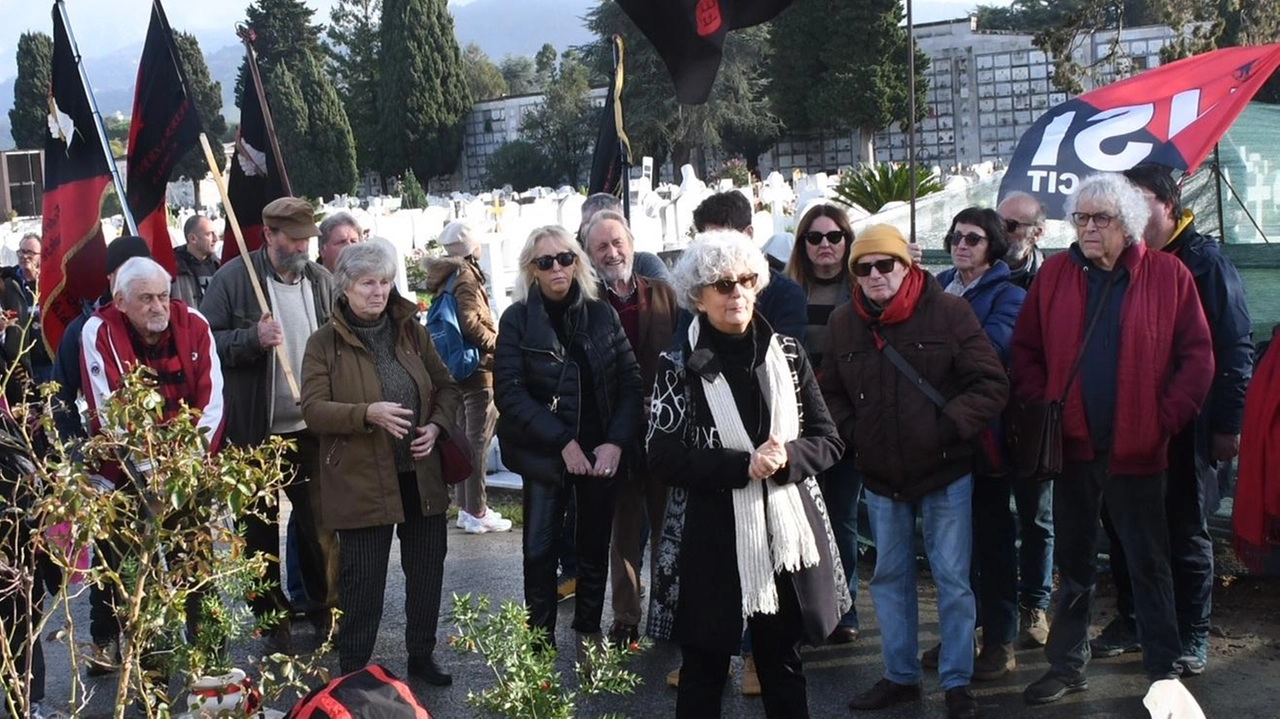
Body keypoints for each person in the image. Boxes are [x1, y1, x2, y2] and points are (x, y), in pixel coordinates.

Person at [1011, 172, 1214, 705]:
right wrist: (1044, 401)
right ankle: (1067, 666)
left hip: (1140, 452)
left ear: (1128, 225)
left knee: (1149, 563)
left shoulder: (1169, 275)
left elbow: (1198, 358)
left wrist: (1163, 419)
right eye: (1081, 217)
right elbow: (1026, 350)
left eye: (1101, 218)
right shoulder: (1055, 275)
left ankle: (1163, 672)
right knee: (1074, 564)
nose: (1088, 228)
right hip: (1074, 447)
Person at [646, 230, 847, 719]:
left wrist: (786, 458)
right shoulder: (676, 367)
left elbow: (830, 440)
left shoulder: (790, 357)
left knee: (781, 664)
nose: (736, 292)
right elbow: (662, 455)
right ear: (698, 295)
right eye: (722, 283)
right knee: (704, 670)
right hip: (708, 538)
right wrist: (741, 465)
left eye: (746, 280)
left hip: (781, 537)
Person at [820, 224, 1008, 719]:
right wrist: (856, 435)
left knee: (953, 579)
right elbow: (828, 392)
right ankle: (899, 675)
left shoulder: (949, 311)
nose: (876, 274)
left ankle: (956, 681)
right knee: (889, 577)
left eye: (886, 264)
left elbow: (990, 383)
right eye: (864, 267)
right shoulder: (844, 322)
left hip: (946, 470)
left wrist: (946, 429)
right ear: (854, 273)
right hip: (881, 475)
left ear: (908, 266)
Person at [1087, 164, 1254, 674]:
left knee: (1185, 529)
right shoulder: (1113, 263)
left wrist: (1226, 426)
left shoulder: (1204, 263)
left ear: (1165, 203)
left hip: (1188, 428)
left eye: (1135, 198)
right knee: (1122, 527)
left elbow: (1232, 348)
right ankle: (1135, 618)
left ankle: (1192, 632)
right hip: (1122, 429)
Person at [300, 240, 461, 684]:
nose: (378, 292)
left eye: (385, 282)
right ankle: (352, 672)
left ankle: (421, 655)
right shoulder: (323, 344)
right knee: (363, 583)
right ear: (345, 287)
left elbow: (446, 387)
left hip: (420, 474)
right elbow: (313, 410)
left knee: (426, 571)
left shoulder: (411, 331)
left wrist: (437, 427)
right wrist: (365, 414)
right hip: (361, 480)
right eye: (367, 283)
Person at [493, 225, 643, 657]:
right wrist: (562, 441)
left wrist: (615, 442)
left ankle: (588, 634)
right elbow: (510, 392)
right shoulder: (517, 319)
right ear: (531, 269)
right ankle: (539, 644)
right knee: (539, 551)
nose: (557, 267)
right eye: (545, 261)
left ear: (577, 262)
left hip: (599, 451)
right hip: (547, 452)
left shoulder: (601, 314)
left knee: (593, 547)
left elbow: (631, 383)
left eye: (565, 258)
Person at [200, 196, 339, 653]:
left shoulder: (320, 280)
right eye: (294, 239)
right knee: (257, 533)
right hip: (254, 431)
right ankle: (272, 618)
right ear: (269, 237)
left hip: (309, 426)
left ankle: (325, 611)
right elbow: (206, 343)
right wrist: (250, 339)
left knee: (319, 525)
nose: (303, 247)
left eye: (307, 239)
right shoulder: (233, 280)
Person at [79, 256, 226, 679]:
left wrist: (183, 469)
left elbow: (211, 400)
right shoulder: (99, 330)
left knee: (196, 571)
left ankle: (211, 667)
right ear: (121, 301)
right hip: (127, 476)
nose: (159, 305)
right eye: (146, 299)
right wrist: (150, 472)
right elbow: (108, 410)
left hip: (187, 472)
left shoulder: (194, 322)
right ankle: (153, 678)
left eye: (164, 295)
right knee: (140, 581)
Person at [934, 207, 1027, 681]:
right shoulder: (938, 285)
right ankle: (957, 634)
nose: (961, 244)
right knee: (950, 549)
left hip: (986, 439)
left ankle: (1000, 640)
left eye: (973, 238)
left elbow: (990, 353)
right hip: (939, 440)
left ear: (993, 246)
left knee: (991, 545)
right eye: (955, 236)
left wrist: (933, 342)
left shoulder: (1008, 295)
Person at [581, 209, 680, 646]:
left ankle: (669, 613)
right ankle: (626, 616)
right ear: (588, 254)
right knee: (623, 531)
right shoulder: (585, 305)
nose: (611, 252)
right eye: (601, 246)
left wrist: (663, 400)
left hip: (664, 429)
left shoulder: (664, 294)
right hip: (613, 434)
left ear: (632, 244)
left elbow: (683, 354)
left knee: (668, 527)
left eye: (617, 242)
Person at [783, 203, 861, 645]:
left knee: (842, 515)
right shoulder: (788, 290)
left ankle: (844, 606)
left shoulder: (862, 288)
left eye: (834, 237)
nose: (825, 245)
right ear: (803, 245)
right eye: (815, 238)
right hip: (797, 422)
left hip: (847, 417)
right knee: (803, 517)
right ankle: (807, 606)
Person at [993, 191, 1054, 649]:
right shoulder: (970, 274)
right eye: (1001, 224)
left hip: (1034, 415)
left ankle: (1036, 603)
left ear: (1038, 232)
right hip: (988, 418)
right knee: (989, 518)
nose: (1004, 234)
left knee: (1037, 516)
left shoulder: (1054, 278)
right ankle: (990, 615)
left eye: (1014, 226)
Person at [422, 220, 510, 534]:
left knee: (462, 437)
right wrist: (500, 344)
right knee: (478, 441)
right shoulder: (467, 276)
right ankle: (477, 509)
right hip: (478, 369)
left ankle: (464, 508)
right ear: (472, 247)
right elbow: (470, 323)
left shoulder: (447, 276)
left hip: (457, 367)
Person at [692, 192, 807, 342]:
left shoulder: (786, 293)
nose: (737, 293)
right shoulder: (697, 289)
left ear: (749, 234)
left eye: (746, 281)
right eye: (709, 243)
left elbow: (786, 355)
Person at [0, 232, 52, 403]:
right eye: (21, 252)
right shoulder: (8, 283)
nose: (25, 256)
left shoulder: (51, 283)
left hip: (50, 362)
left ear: (41, 256)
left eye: (30, 252)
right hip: (21, 366)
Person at [580, 192, 671, 283]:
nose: (613, 254)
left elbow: (667, 293)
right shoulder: (575, 271)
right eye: (594, 225)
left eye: (613, 222)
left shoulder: (645, 265)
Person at [995, 192, 1046, 290]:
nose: (1000, 231)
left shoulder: (1050, 276)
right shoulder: (975, 265)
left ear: (1036, 234)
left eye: (1010, 225)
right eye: (996, 222)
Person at [172, 215, 221, 307]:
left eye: (215, 233)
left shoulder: (219, 266)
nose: (216, 239)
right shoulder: (173, 269)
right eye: (209, 234)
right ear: (192, 238)